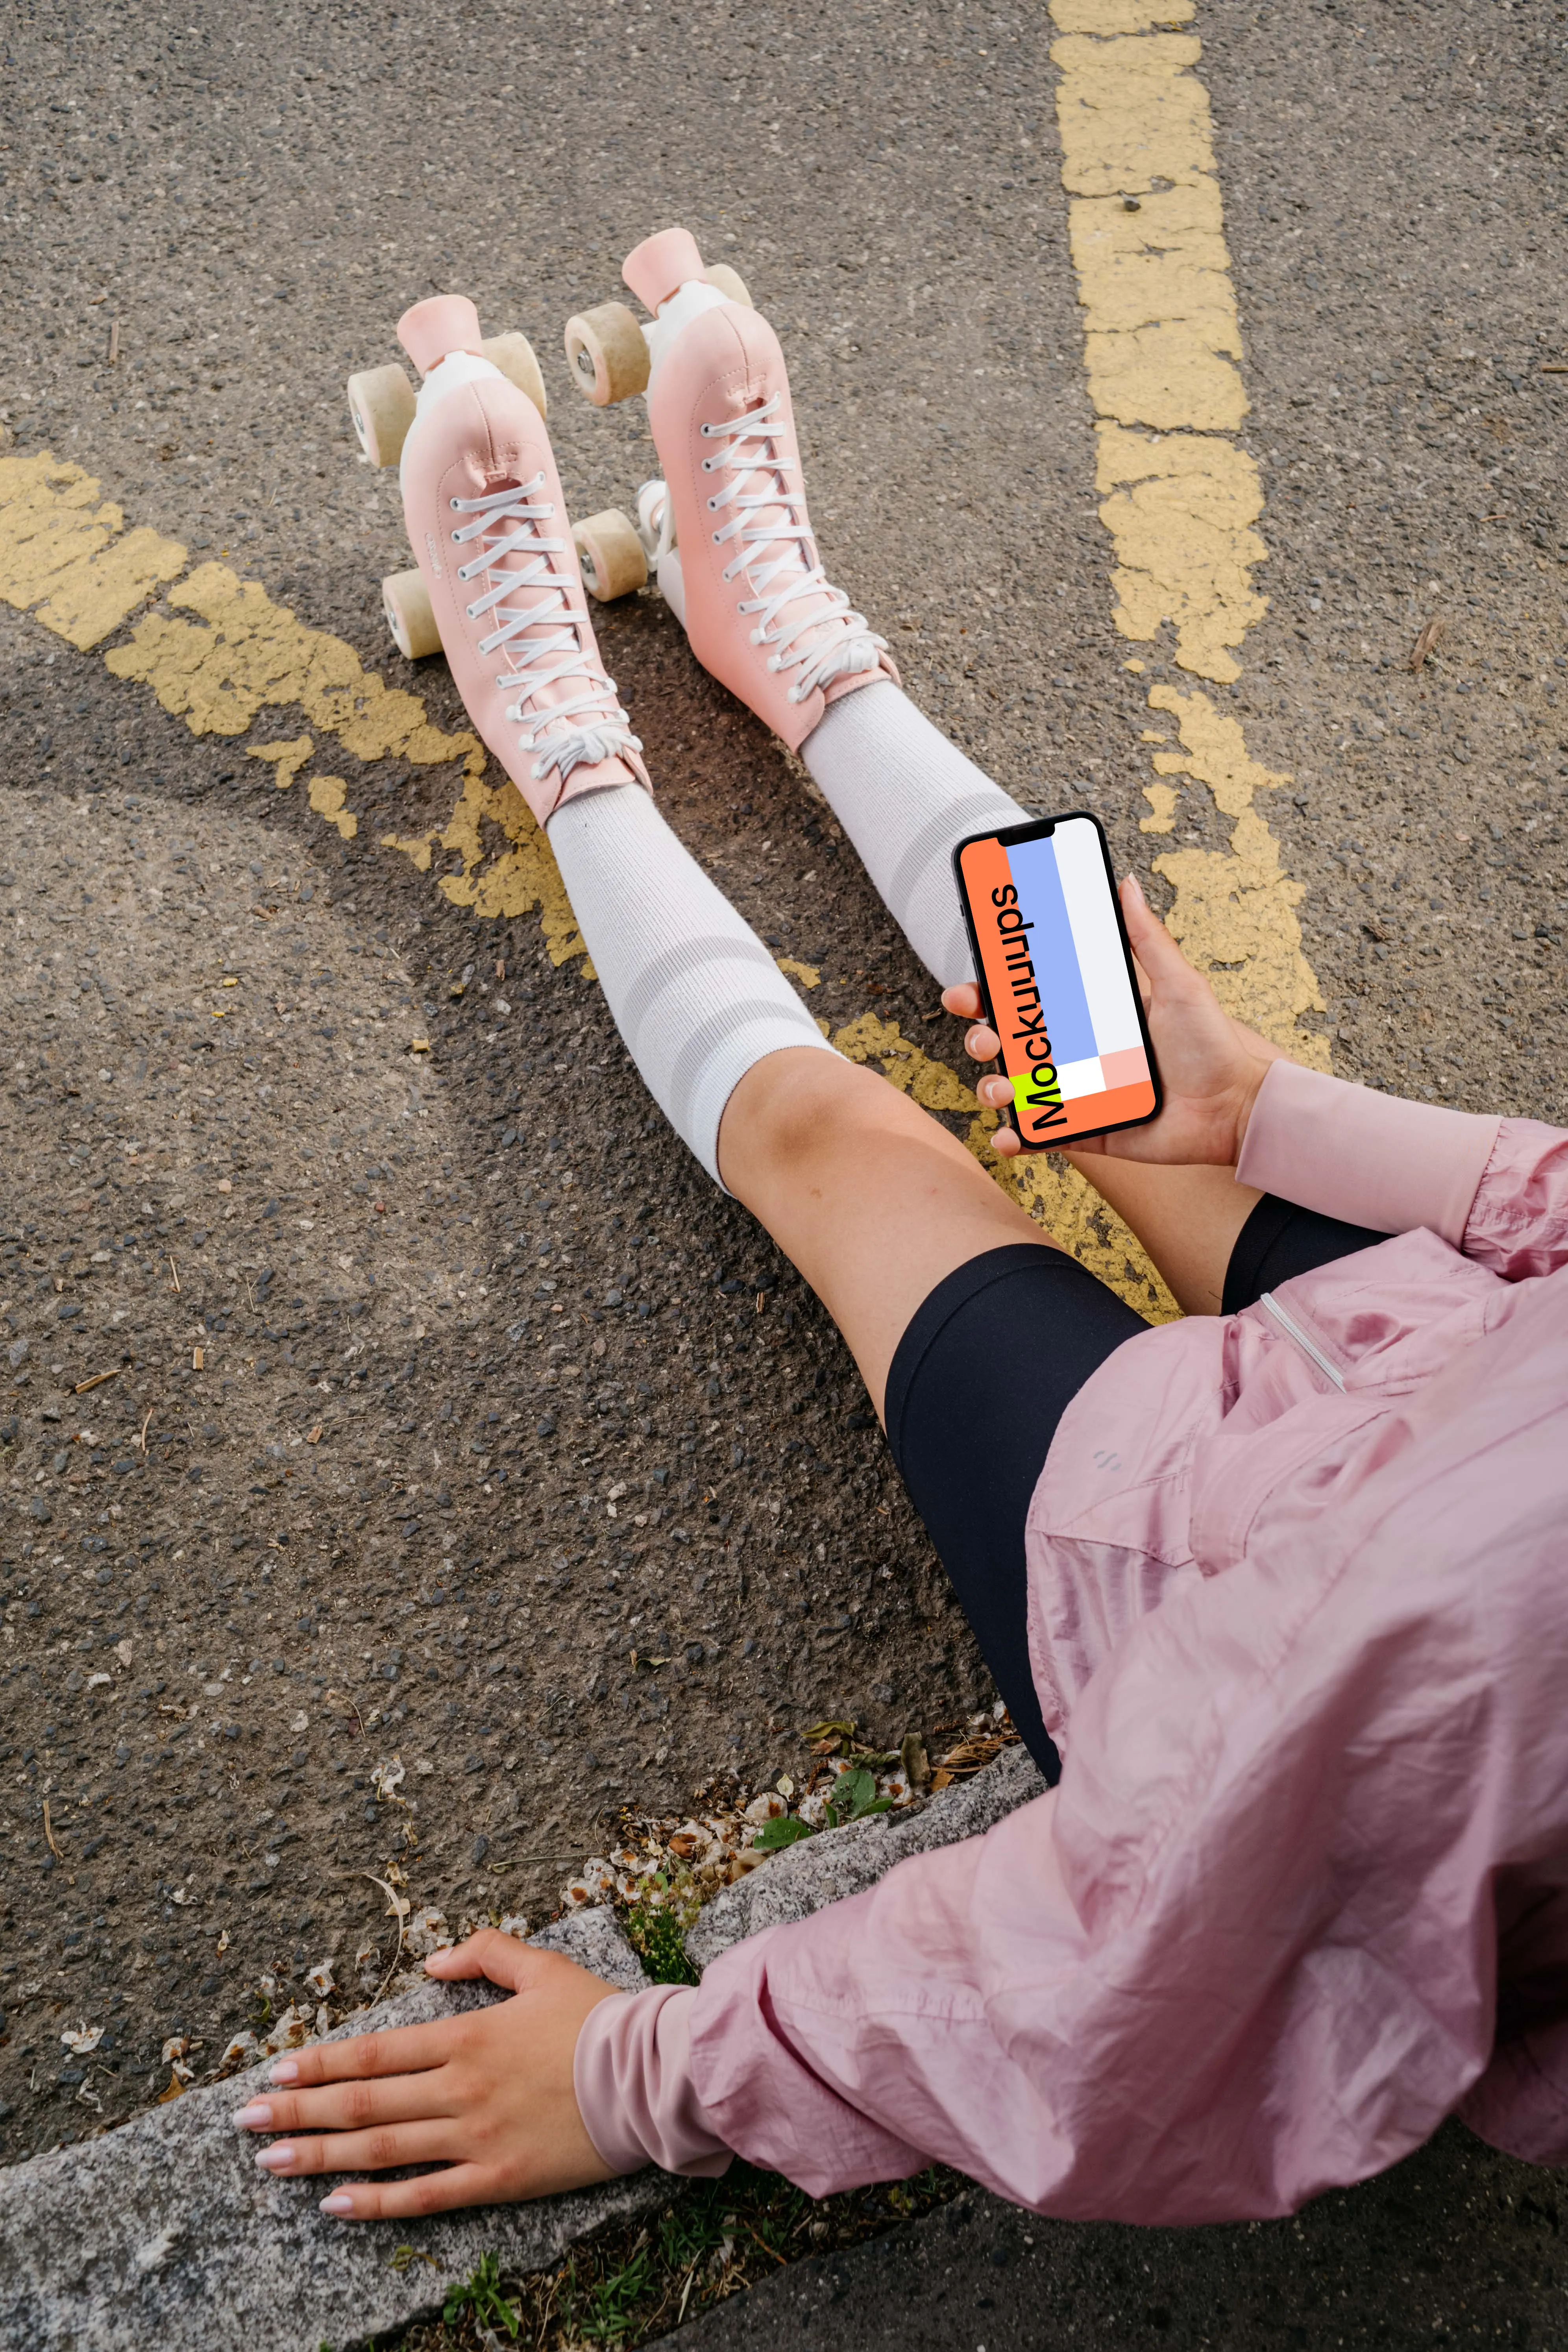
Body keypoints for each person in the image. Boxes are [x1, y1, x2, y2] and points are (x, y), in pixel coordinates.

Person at [231, 232, 1568, 2224]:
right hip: (1460, 1402)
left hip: (1255, 1640)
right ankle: (793, 648)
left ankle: (571, 750)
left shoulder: (1431, 1656)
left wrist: (643, 2070)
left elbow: (1121, 1942)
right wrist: (1269, 1106)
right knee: (1109, 1024)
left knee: (846, 1144)